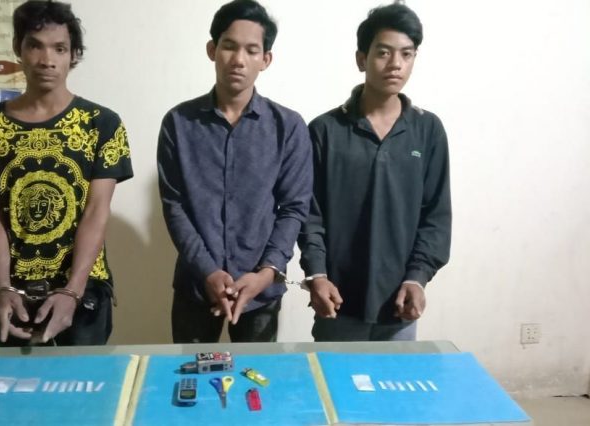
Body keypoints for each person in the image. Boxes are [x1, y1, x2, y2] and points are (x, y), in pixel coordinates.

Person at [0, 0, 133, 346]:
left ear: (73, 55)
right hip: (16, 293)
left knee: (84, 380)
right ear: (18, 48)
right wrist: (1, 288)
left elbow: (97, 210)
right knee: (15, 380)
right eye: (35, 46)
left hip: (83, 289)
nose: (47, 60)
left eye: (59, 48)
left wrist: (72, 291)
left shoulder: (101, 124)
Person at [157, 0, 312, 343]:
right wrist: (208, 271)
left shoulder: (288, 127)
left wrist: (267, 273)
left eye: (251, 50)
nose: (239, 59)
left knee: (256, 375)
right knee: (189, 375)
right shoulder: (178, 123)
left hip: (260, 290)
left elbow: (294, 208)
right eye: (229, 46)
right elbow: (174, 206)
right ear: (212, 50)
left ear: (265, 59)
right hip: (196, 287)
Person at [298, 3, 451, 341]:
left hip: (399, 305)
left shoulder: (428, 130)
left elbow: (436, 216)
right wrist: (317, 274)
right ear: (361, 59)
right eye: (383, 52)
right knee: (333, 377)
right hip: (336, 302)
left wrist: (417, 277)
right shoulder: (325, 131)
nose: (395, 64)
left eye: (406, 54)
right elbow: (309, 214)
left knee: (394, 378)